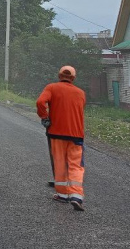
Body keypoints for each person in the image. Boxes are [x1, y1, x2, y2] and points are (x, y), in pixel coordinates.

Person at [36, 65, 86, 211]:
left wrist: (44, 117)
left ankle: (62, 195)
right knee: (76, 165)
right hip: (76, 135)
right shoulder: (81, 93)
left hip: (56, 133)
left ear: (59, 76)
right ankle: (76, 195)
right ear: (73, 78)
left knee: (60, 163)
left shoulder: (52, 87)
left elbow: (40, 102)